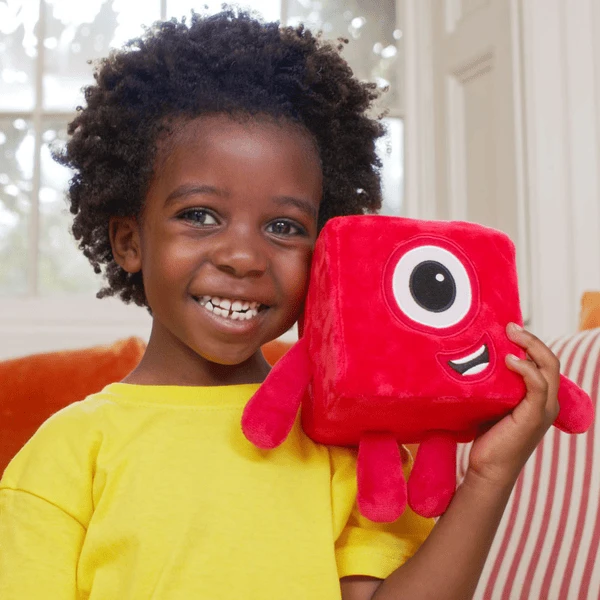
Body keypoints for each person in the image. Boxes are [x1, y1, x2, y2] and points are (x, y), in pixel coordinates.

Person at [0, 9, 560, 600]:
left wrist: (490, 477)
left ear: (326, 254)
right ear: (129, 241)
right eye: (199, 215)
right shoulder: (68, 452)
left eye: (284, 227)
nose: (244, 257)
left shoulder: (348, 444)